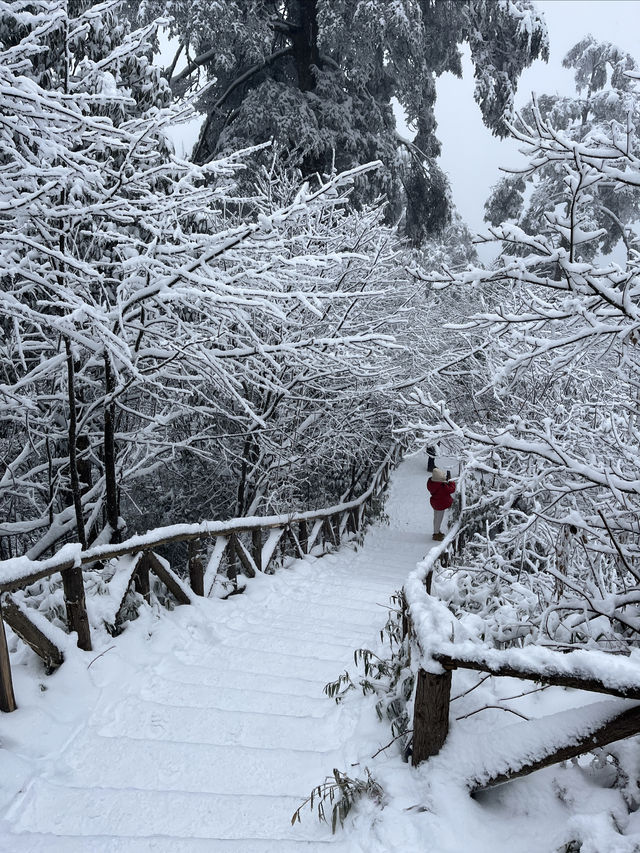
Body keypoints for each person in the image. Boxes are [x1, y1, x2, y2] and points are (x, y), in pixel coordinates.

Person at [427, 467, 456, 541]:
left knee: (436, 518)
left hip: (435, 503)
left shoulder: (432, 484)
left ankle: (436, 531)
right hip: (440, 504)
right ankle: (436, 534)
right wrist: (451, 481)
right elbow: (452, 489)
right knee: (439, 519)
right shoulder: (442, 486)